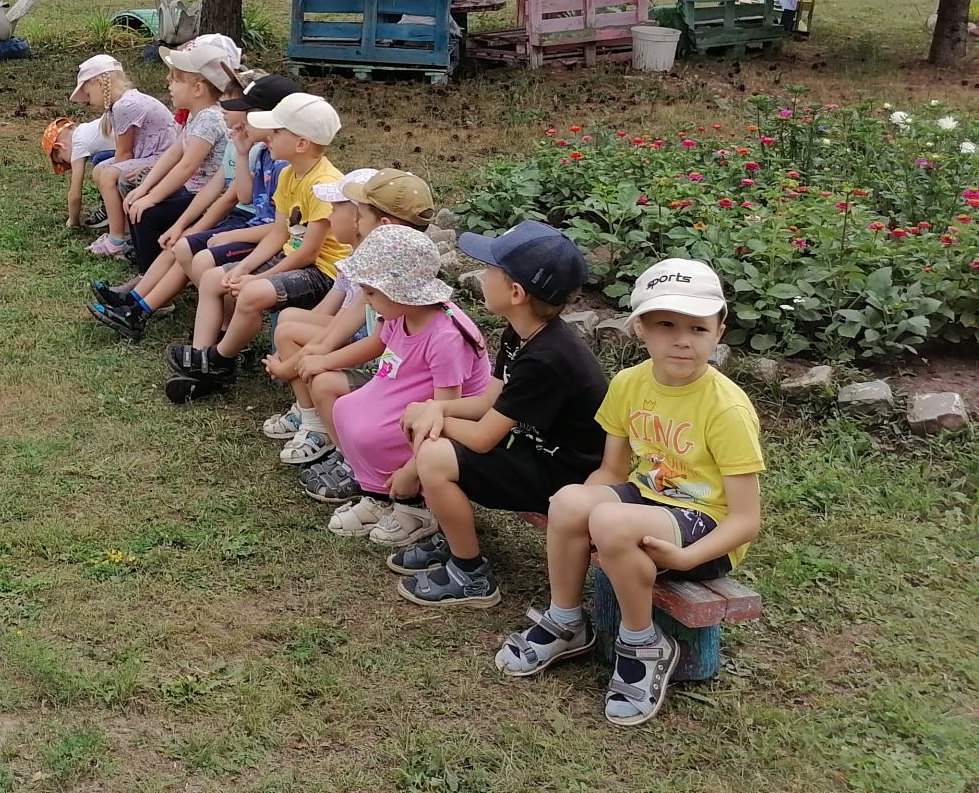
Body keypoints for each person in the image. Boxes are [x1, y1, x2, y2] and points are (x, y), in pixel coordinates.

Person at [494, 258, 764, 728]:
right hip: (650, 502)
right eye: (665, 324)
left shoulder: (726, 409)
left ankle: (643, 643)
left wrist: (684, 559)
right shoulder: (629, 383)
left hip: (707, 530)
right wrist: (573, 513)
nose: (682, 339)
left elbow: (745, 519)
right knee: (569, 500)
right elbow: (612, 470)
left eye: (698, 328)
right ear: (640, 328)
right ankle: (567, 620)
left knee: (611, 522)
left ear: (719, 331)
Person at [388, 221, 606, 608]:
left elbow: (483, 436)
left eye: (490, 271)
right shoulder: (520, 333)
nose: (483, 277)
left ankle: (470, 575)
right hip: (533, 452)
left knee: (436, 456)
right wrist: (435, 407)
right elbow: (487, 402)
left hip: (568, 478)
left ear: (516, 292)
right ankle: (452, 535)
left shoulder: (549, 357)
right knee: (432, 429)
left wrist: (432, 418)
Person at [88, 73, 299, 340]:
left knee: (187, 246)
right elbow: (235, 194)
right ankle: (135, 304)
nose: (224, 111)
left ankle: (218, 331)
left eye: (234, 107)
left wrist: (207, 230)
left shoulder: (278, 161)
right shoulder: (253, 149)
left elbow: (263, 217)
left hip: (251, 229)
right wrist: (185, 226)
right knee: (182, 243)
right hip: (243, 222)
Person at [164, 91, 346, 397]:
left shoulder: (323, 184)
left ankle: (219, 361)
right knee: (214, 278)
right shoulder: (290, 174)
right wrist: (244, 267)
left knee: (252, 292)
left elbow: (309, 253)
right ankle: (203, 360)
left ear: (301, 143)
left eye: (275, 132)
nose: (267, 138)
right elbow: (279, 234)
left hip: (323, 271)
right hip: (294, 258)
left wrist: (258, 277)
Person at [320, 225, 491, 547]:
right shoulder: (401, 314)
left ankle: (415, 506)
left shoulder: (446, 337)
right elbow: (387, 353)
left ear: (399, 290)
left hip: (442, 415)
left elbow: (447, 411)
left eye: (371, 293)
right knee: (345, 409)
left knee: (374, 431)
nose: (367, 302)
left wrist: (412, 469)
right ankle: (378, 494)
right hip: (406, 391)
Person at [277, 170, 436, 494]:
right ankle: (348, 456)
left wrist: (320, 358)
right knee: (312, 357)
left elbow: (377, 341)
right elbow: (346, 320)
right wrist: (315, 352)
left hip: (400, 386)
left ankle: (355, 464)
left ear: (384, 226)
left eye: (359, 213)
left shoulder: (401, 283)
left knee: (324, 380)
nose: (351, 220)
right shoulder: (379, 266)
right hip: (390, 376)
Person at [117, 42, 242, 272]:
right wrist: (144, 189)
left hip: (207, 199)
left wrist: (152, 198)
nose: (168, 83)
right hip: (193, 191)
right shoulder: (197, 116)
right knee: (138, 204)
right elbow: (173, 153)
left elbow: (186, 166)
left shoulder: (209, 119)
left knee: (147, 215)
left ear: (198, 89)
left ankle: (151, 276)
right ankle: (148, 268)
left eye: (176, 79)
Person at [71, 54, 178, 256]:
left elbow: (124, 153)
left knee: (108, 174)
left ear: (98, 82)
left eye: (87, 92)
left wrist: (112, 173)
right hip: (150, 155)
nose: (87, 99)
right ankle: (125, 229)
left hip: (161, 158)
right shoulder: (123, 103)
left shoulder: (125, 105)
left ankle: (116, 239)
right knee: (99, 170)